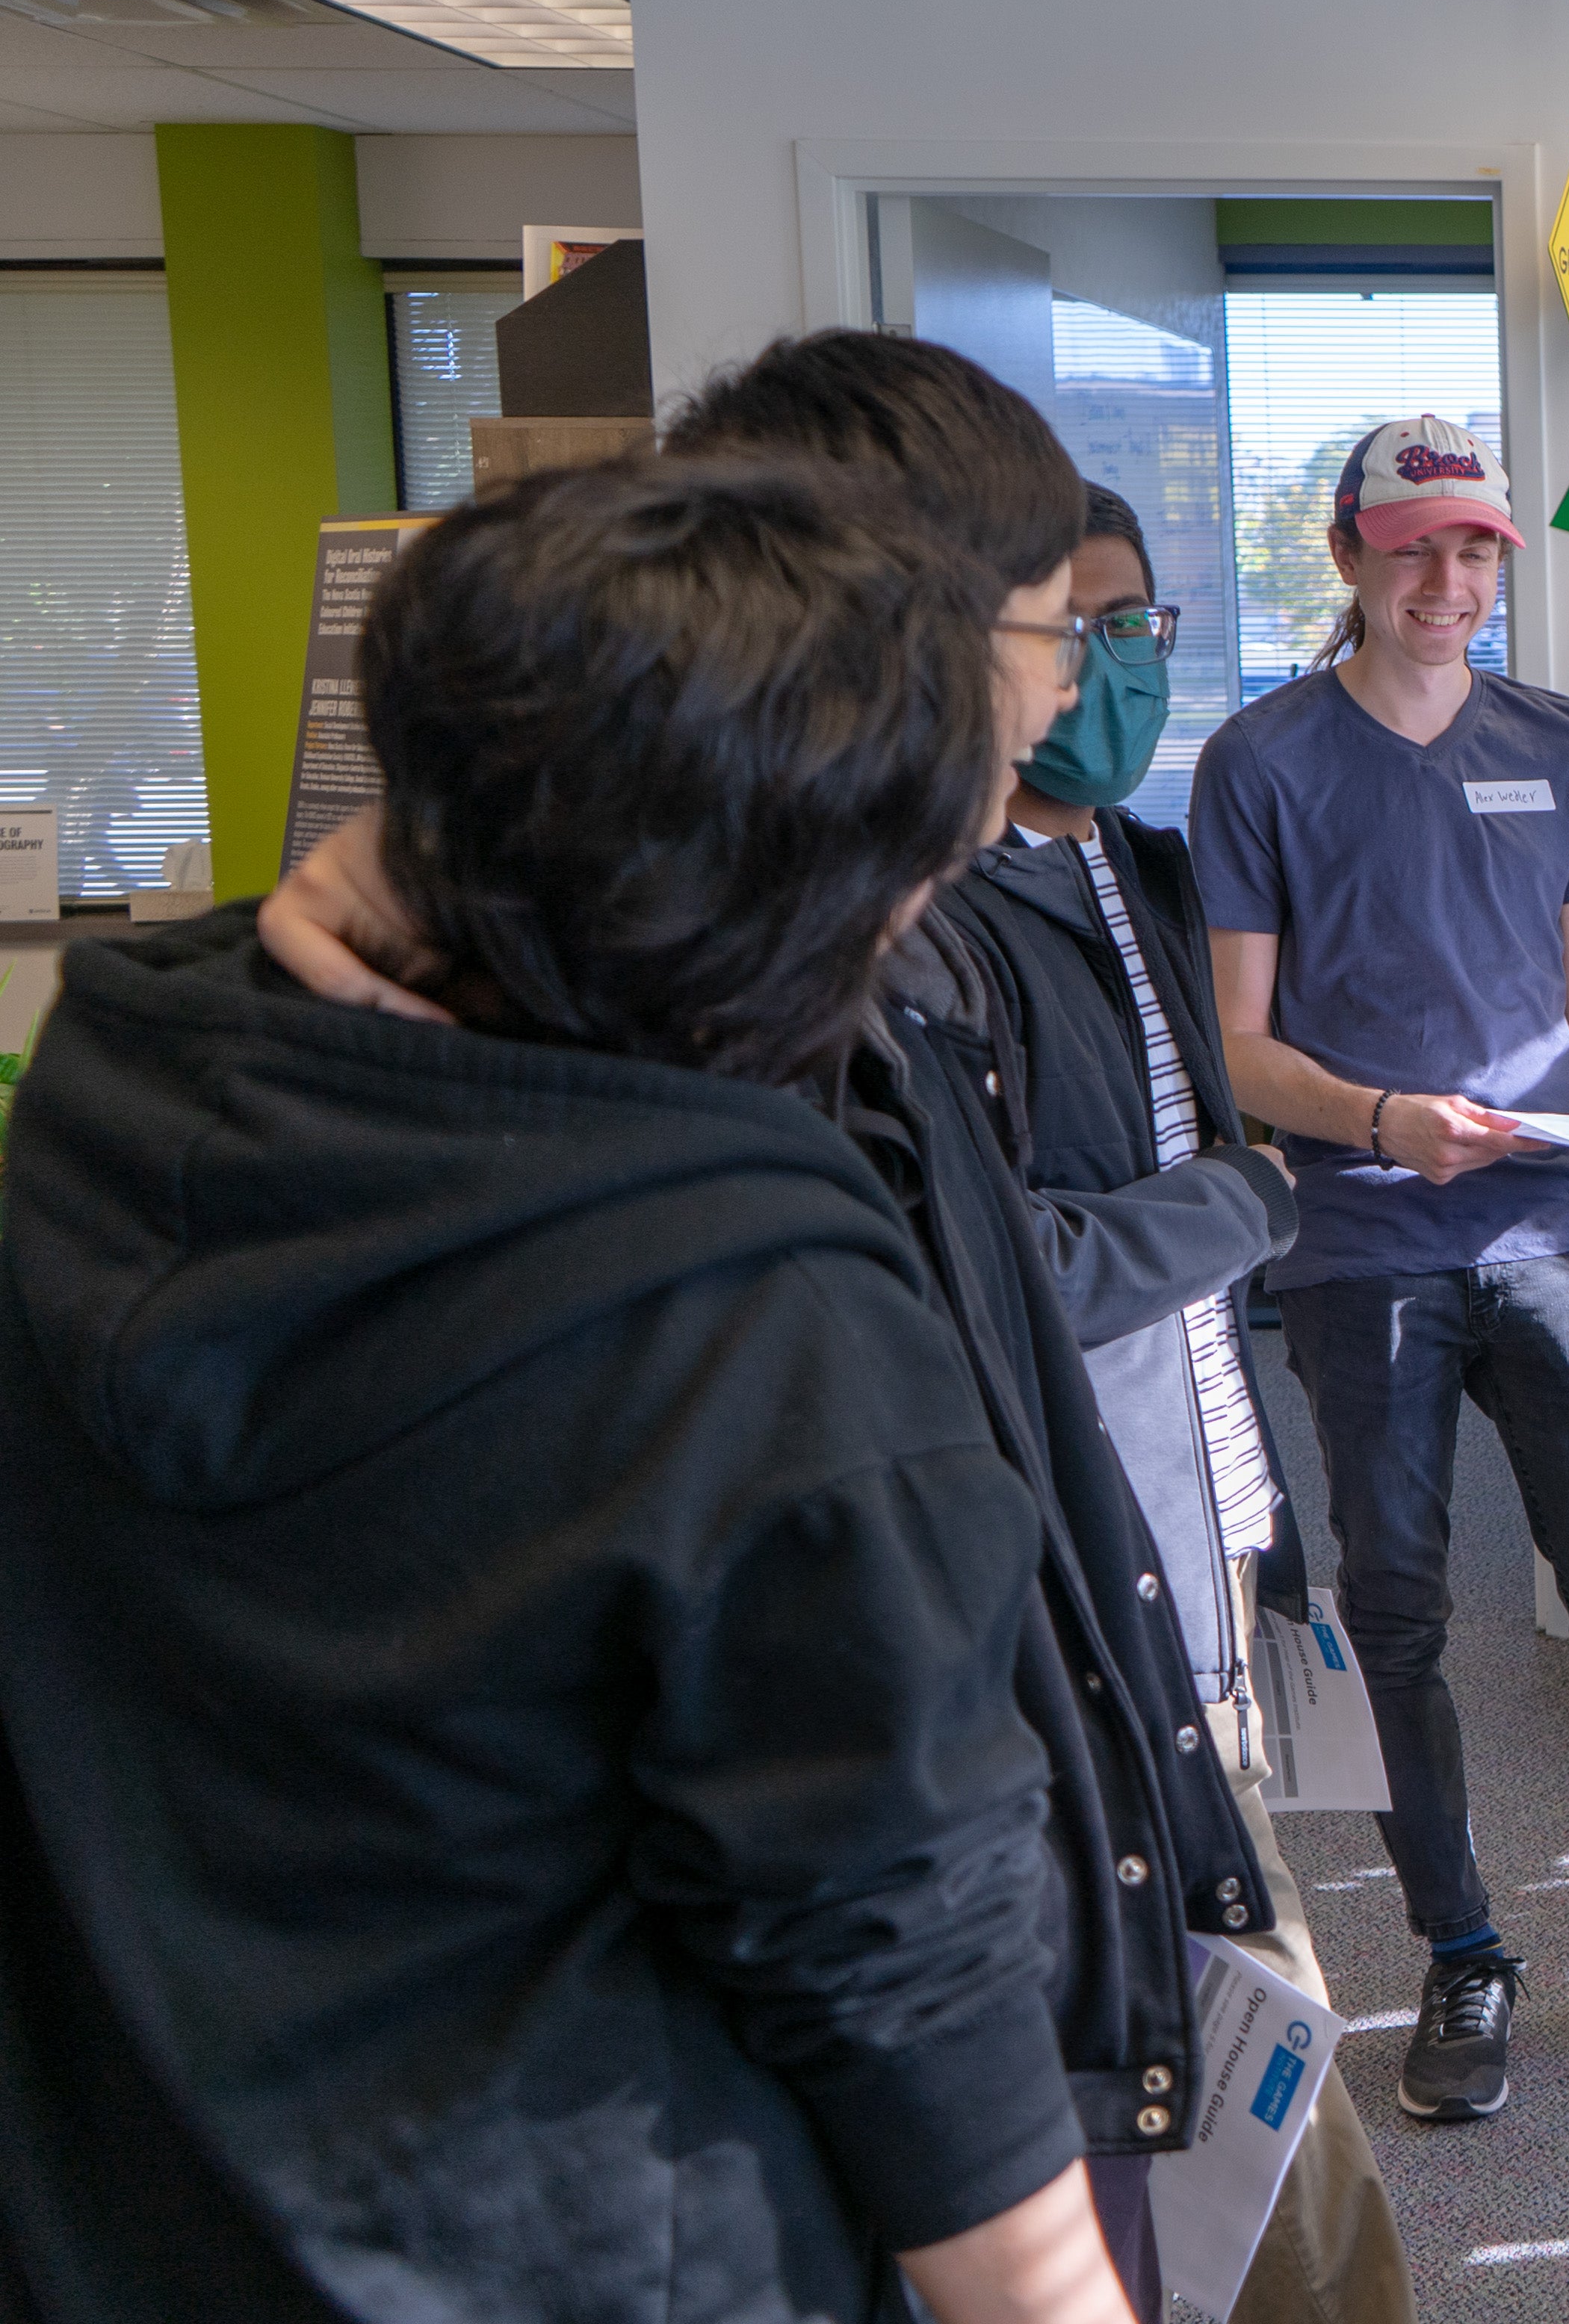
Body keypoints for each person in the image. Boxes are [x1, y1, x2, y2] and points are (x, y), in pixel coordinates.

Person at [0, 455, 1136, 2323]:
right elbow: (902, 1955)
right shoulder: (762, 1305)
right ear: (777, 913)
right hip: (590, 2245)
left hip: (125, 2207)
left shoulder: (113, 1077)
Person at [260, 332, 1282, 2299]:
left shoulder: (215, 1051)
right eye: (1058, 630)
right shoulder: (740, 1186)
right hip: (707, 2135)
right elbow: (859, 1833)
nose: (1075, 685)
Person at [1190, 415, 1569, 2118]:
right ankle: (1462, 1955)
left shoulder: (1565, 746)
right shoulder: (1261, 764)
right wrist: (1385, 1116)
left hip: (1555, 1238)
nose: (1447, 585)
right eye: (1413, 550)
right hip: (1365, 1250)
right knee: (1393, 1619)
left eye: (1475, 554)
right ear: (1348, 557)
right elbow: (1239, 1046)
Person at [950, 483, 1417, 2323]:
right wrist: (1247, 1194)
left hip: (1207, 1514)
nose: (1118, 661)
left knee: (1225, 2025)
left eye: (1139, 621)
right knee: (1245, 2020)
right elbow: (1023, 1264)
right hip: (1081, 1563)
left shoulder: (1146, 873)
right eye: (1081, 627)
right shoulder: (943, 933)